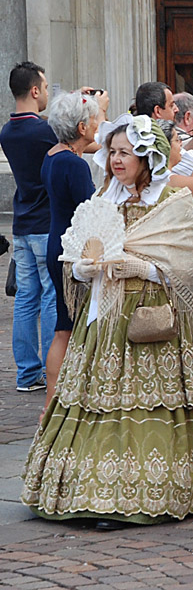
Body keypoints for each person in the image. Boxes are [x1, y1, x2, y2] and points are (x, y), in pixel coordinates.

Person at [21, 112, 193, 530]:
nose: (116, 160)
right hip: (103, 319)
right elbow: (75, 255)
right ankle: (90, 493)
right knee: (96, 400)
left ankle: (138, 497)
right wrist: (84, 270)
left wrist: (141, 268)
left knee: (147, 403)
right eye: (112, 152)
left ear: (148, 157)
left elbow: (187, 265)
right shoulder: (100, 201)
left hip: (151, 322)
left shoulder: (173, 202)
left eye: (126, 153)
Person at [41, 90, 109, 407]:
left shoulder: (54, 155)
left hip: (57, 243)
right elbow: (89, 210)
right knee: (68, 328)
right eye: (94, 119)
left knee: (63, 326)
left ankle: (53, 399)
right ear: (82, 127)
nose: (97, 125)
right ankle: (57, 400)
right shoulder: (73, 164)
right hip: (72, 252)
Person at [1, 61, 57, 393]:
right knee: (50, 295)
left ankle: (26, 373)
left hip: (21, 223)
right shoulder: (42, 130)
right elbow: (81, 142)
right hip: (45, 223)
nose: (48, 92)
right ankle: (52, 368)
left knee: (25, 298)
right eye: (47, 87)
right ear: (34, 90)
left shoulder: (8, 130)